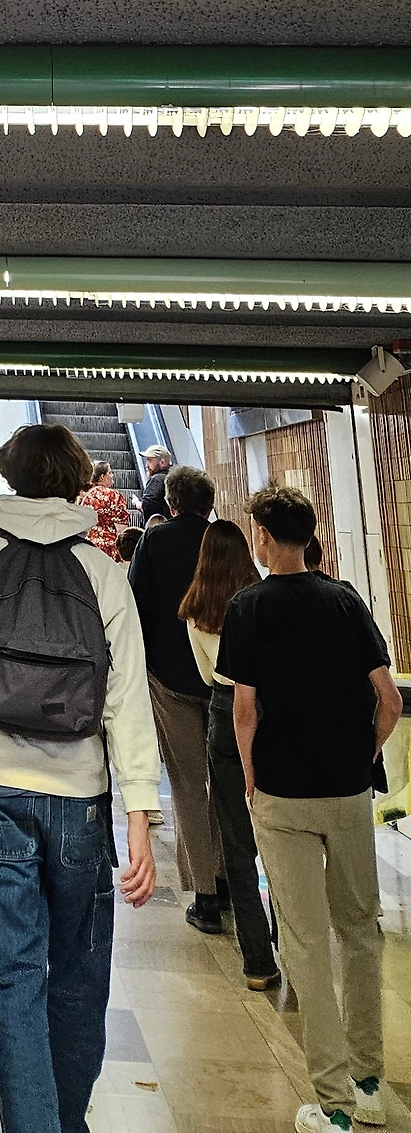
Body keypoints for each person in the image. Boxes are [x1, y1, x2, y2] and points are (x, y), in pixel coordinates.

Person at [0, 423, 159, 1133]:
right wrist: (139, 815)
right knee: (79, 976)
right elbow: (128, 698)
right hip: (81, 798)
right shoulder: (102, 571)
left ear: (11, 478)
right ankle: (64, 1119)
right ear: (78, 481)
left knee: (14, 978)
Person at [221, 485, 402, 1133]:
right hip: (348, 790)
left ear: (265, 537)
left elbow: (245, 709)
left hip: (282, 791)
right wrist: (367, 749)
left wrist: (250, 775)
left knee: (305, 943)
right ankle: (371, 1082)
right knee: (360, 930)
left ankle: (335, 1106)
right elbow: (389, 699)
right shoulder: (346, 599)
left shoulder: (247, 607)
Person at [178, 519, 280, 990]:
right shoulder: (261, 602)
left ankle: (258, 962)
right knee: (279, 832)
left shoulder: (195, 610)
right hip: (271, 708)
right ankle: (289, 940)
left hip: (223, 709)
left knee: (236, 843)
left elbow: (206, 676)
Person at [128, 463, 224, 932]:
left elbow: (134, 607)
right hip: (225, 680)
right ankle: (229, 878)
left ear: (170, 503)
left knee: (188, 783)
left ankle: (205, 894)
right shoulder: (224, 541)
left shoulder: (154, 541)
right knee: (225, 782)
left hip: (169, 678)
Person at [82, 461, 131, 559]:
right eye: (110, 473)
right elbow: (121, 530)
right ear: (102, 477)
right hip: (109, 551)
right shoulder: (114, 496)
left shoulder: (84, 497)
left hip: (88, 548)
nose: (112, 476)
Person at [138, 445, 172, 523]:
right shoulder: (175, 477)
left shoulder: (157, 479)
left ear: (162, 462)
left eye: (149, 460)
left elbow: (146, 506)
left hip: (158, 526)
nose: (146, 465)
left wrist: (137, 503)